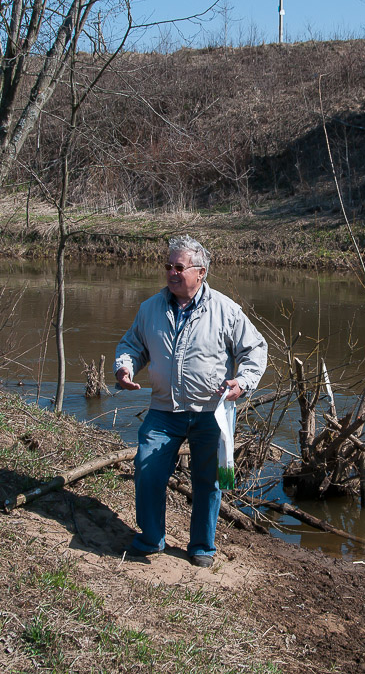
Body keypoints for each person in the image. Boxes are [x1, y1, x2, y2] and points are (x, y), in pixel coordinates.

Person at [114, 235, 267, 568]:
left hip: (212, 412)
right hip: (163, 410)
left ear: (201, 272)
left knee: (209, 482)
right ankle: (151, 538)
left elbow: (255, 350)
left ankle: (201, 547)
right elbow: (133, 346)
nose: (172, 272)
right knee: (147, 470)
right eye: (168, 266)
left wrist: (242, 382)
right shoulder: (150, 308)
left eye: (179, 267)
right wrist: (125, 367)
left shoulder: (227, 310)